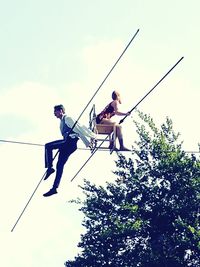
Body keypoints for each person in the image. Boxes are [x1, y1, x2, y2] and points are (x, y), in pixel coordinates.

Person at [43, 104, 97, 197]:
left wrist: (91, 139)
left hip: (69, 142)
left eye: (55, 111)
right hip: (67, 144)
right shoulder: (61, 122)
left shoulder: (67, 118)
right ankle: (54, 188)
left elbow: (79, 129)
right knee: (59, 165)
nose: (54, 114)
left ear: (61, 111)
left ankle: (49, 168)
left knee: (48, 146)